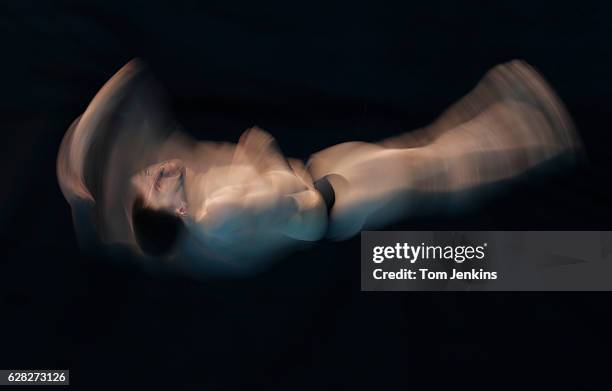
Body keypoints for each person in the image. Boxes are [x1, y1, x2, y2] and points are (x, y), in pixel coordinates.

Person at [57, 59, 581, 275]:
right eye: (153, 182)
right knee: (432, 167)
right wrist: (258, 154)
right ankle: (538, 137)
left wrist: (80, 185)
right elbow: (303, 210)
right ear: (169, 208)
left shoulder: (180, 231)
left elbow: (129, 227)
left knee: (426, 154)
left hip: (330, 178)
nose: (155, 170)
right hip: (338, 200)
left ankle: (515, 122)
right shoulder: (217, 211)